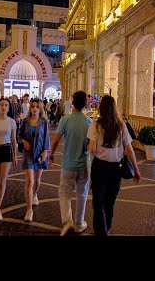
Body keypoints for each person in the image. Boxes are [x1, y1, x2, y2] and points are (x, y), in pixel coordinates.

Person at [87, 95, 141, 236]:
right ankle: (107, 228)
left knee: (98, 203)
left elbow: (92, 149)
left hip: (99, 167)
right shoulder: (121, 126)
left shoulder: (95, 125)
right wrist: (136, 168)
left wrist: (88, 146)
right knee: (109, 202)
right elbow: (129, 149)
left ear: (101, 108)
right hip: (115, 169)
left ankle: (101, 232)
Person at [49, 91, 92, 236]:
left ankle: (67, 221)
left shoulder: (65, 120)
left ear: (72, 103)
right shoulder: (89, 122)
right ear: (85, 104)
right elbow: (91, 146)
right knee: (82, 193)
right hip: (84, 164)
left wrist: (51, 155)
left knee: (64, 193)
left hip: (68, 163)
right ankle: (79, 223)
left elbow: (55, 140)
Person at [18, 99, 50, 222]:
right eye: (33, 106)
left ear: (40, 109)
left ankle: (35, 194)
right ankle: (29, 210)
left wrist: (45, 152)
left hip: (40, 153)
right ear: (30, 108)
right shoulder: (25, 122)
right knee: (30, 180)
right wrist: (24, 141)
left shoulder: (44, 122)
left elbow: (47, 137)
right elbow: (19, 135)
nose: (35, 109)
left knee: (37, 180)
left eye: (37, 107)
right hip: (28, 154)